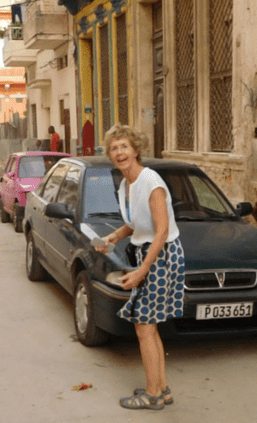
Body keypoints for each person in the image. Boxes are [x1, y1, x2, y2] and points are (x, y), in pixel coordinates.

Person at [96, 125, 184, 411]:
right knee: (149, 327)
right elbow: (136, 223)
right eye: (114, 148)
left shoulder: (150, 181)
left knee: (144, 327)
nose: (119, 153)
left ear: (135, 150)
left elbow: (161, 230)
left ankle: (151, 394)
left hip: (161, 255)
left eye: (124, 146)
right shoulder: (127, 184)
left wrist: (143, 269)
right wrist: (113, 236)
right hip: (150, 253)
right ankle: (162, 389)